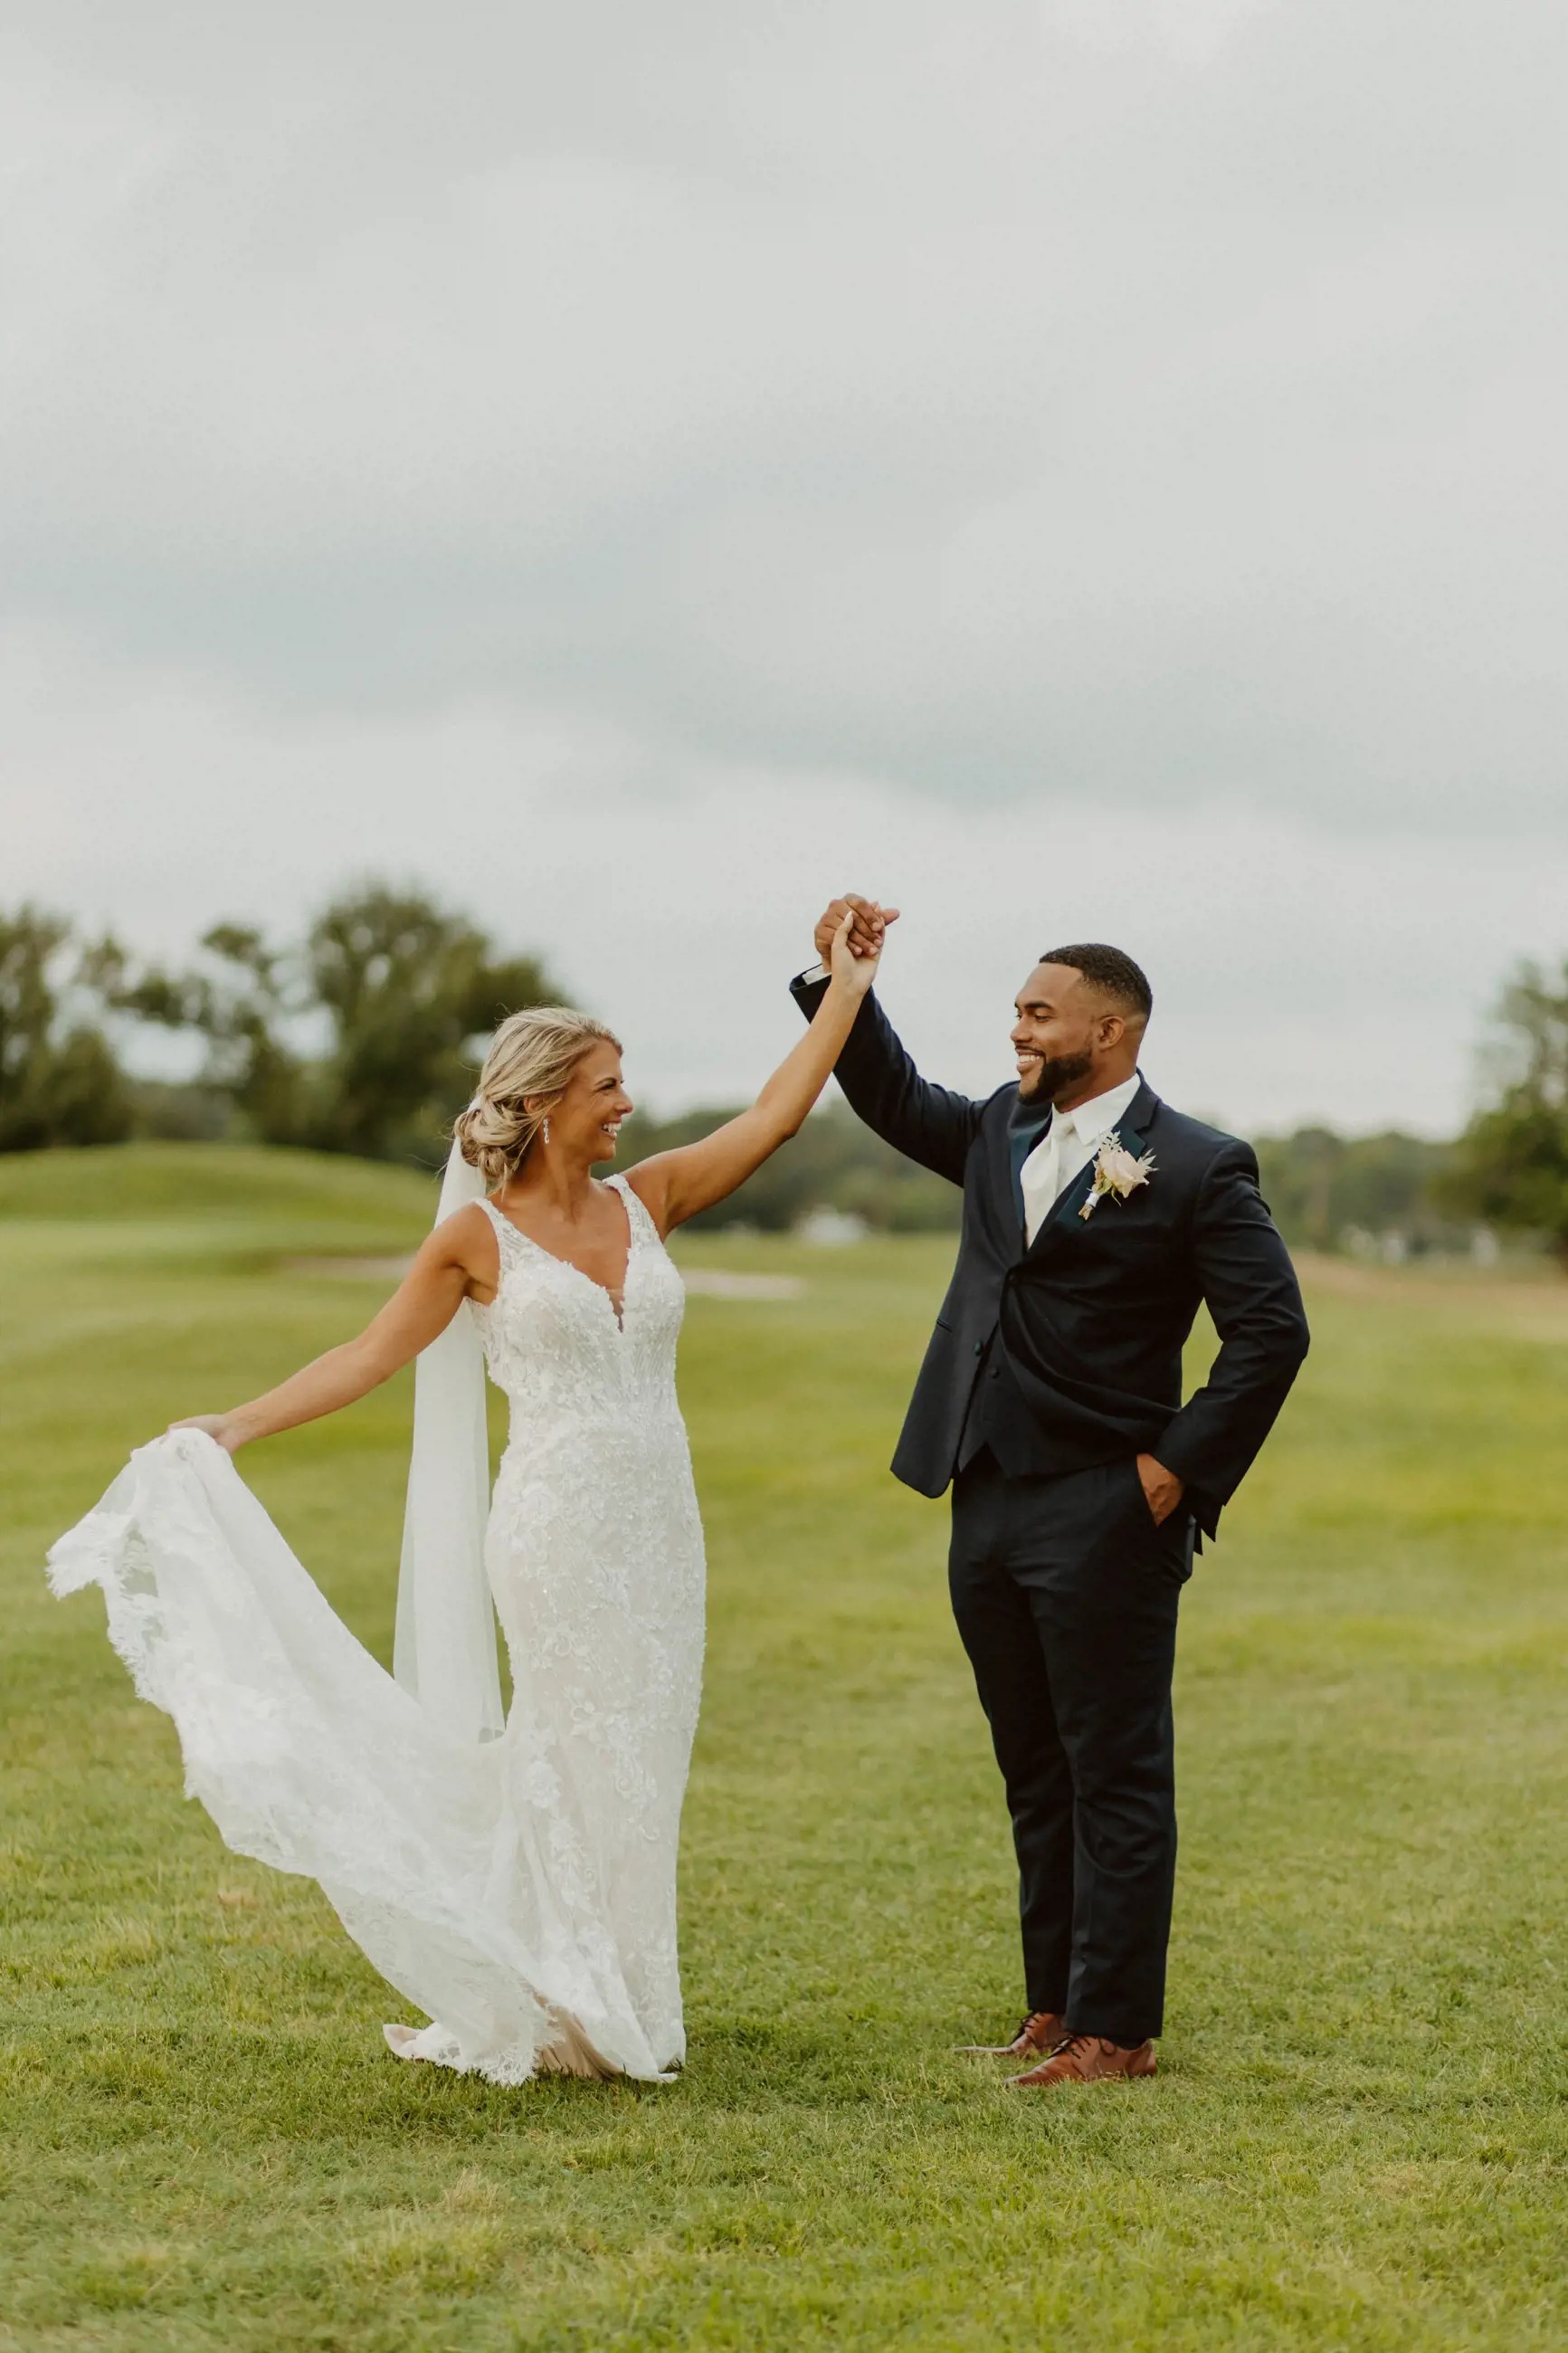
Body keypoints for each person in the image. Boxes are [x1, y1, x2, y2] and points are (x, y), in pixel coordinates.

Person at [47, 911, 882, 2085]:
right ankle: (566, 2001)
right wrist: (235, 1424)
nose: (626, 1103)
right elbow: (369, 1357)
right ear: (541, 1103)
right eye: (606, 1084)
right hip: (552, 1529)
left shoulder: (650, 1199)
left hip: (660, 1528)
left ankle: (616, 1994)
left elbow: (777, 1115)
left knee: (640, 1760)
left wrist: (846, 986)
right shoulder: (473, 1239)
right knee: (566, 1752)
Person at [790, 897, 1309, 2088]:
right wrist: (843, 981)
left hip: (1106, 1504)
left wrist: (1171, 1471)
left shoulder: (1193, 1166)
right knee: (1033, 1768)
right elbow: (885, 1092)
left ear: (1110, 1032)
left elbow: (1270, 1334)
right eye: (1016, 1009)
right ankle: (1051, 2008)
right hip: (982, 1494)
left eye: (1038, 1013)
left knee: (1113, 1772)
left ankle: (1115, 2032)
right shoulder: (997, 1131)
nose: (1016, 1028)